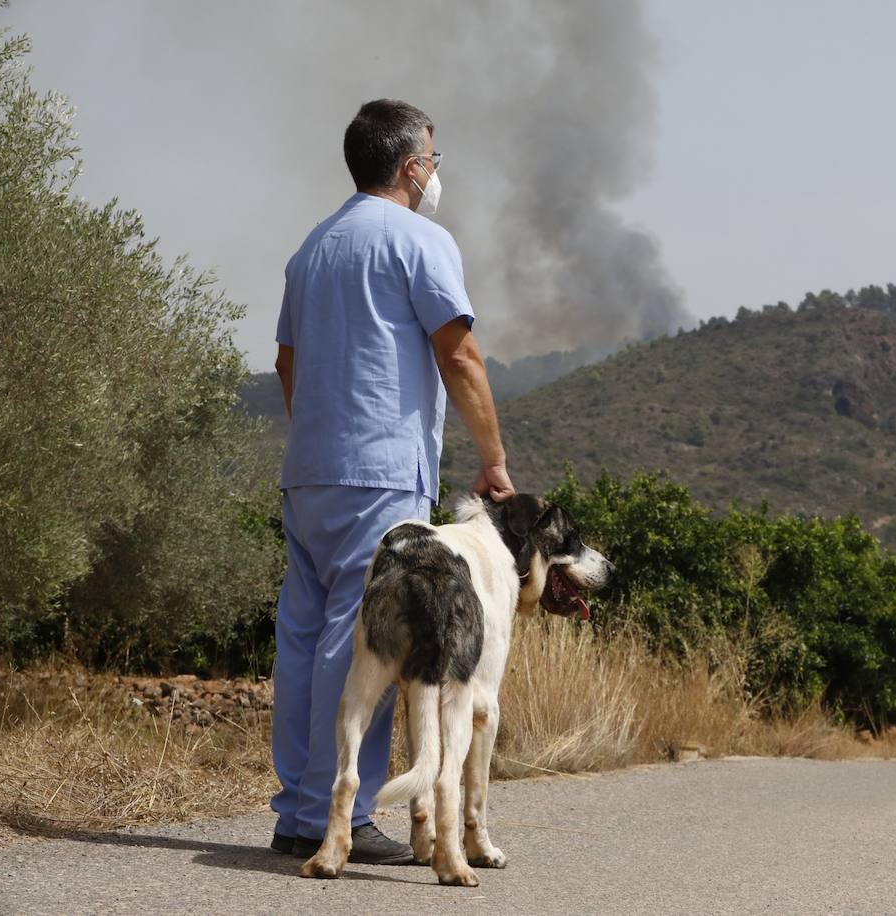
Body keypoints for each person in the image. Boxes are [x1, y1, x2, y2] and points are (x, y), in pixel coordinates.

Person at [269, 98, 514, 864]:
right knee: (365, 639)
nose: (436, 173)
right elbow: (460, 356)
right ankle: (333, 815)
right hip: (379, 474)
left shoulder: (312, 248)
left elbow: (287, 363)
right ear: (411, 167)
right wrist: (494, 459)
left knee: (303, 638)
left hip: (309, 472)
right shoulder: (419, 241)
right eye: (433, 159)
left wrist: (318, 430)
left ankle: (295, 809)